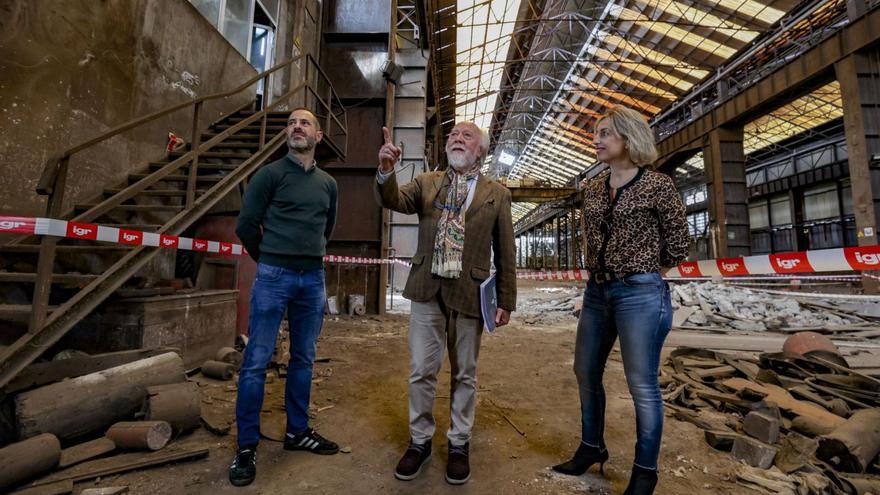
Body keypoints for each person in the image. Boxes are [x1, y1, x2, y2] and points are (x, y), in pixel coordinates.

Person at [552, 106, 689, 494]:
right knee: (584, 370)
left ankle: (645, 471)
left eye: (605, 133)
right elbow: (589, 241)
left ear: (629, 139)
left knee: (641, 384)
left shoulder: (658, 185)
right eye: (596, 133)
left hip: (641, 294)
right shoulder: (593, 190)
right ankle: (591, 447)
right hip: (598, 292)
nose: (597, 139)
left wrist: (649, 273)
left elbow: (679, 242)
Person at [375, 122, 517, 485]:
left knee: (464, 373)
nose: (456, 138)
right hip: (426, 289)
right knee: (422, 369)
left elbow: (505, 251)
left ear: (481, 150)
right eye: (453, 134)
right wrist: (386, 171)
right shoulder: (426, 182)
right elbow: (393, 199)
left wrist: (506, 300)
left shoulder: (496, 194)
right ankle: (420, 440)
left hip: (470, 294)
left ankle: (458, 443)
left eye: (466, 136)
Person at [229, 108, 339, 487]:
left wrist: (306, 259)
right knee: (257, 360)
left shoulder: (327, 184)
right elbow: (246, 225)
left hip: (312, 279)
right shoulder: (270, 175)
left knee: (304, 359)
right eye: (291, 122)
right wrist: (271, 259)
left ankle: (297, 432)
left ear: (318, 136)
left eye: (305, 122)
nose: (297, 126)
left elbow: (328, 227)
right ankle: (246, 446)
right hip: (274, 276)